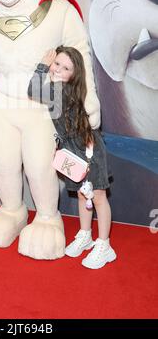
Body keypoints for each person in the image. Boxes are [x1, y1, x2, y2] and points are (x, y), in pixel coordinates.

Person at [28, 46, 117, 269]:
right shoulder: (60, 88)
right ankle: (85, 235)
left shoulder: (61, 90)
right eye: (56, 63)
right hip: (71, 150)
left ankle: (104, 245)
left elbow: (32, 89)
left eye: (65, 67)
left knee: (97, 197)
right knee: (81, 195)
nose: (58, 69)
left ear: (74, 74)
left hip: (89, 150)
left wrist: (43, 64)